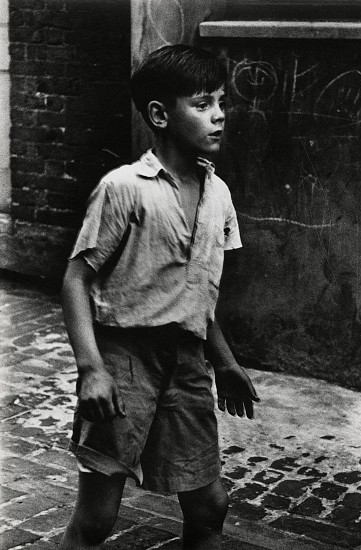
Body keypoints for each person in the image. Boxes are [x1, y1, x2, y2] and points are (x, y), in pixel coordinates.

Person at [60, 44, 260, 550]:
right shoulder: (124, 188)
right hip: (125, 360)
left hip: (187, 364)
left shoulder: (219, 195)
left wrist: (226, 363)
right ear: (159, 114)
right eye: (201, 104)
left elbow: (199, 291)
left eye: (221, 102)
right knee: (97, 518)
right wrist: (92, 369)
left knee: (210, 505)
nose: (218, 116)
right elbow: (76, 279)